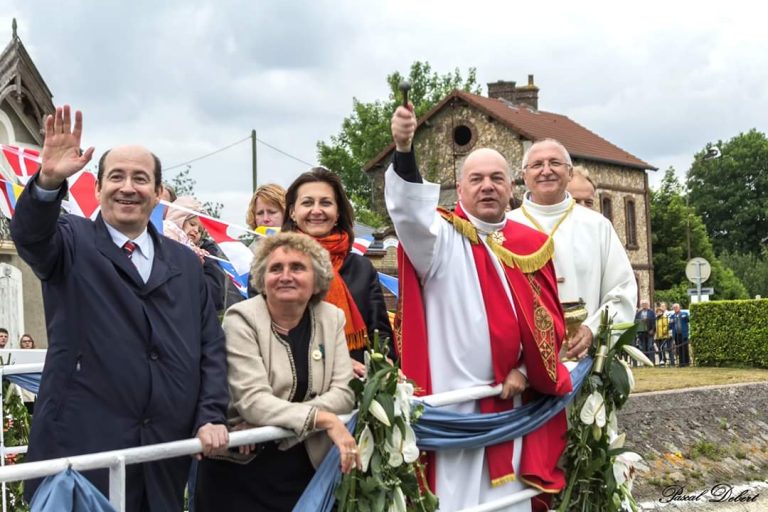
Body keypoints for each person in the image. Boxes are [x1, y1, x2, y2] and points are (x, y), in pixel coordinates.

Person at [10, 105, 229, 510]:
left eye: (140, 179)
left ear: (158, 193)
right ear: (97, 188)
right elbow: (29, 235)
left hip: (162, 456)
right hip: (82, 454)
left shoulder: (185, 264)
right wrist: (48, 181)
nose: (128, 187)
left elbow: (210, 349)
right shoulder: (69, 241)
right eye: (116, 177)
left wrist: (211, 414)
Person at [388, 105, 573, 511]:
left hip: (511, 404)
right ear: (460, 186)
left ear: (511, 188)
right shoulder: (437, 238)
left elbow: (550, 324)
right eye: (476, 179)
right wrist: (404, 148)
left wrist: (526, 370)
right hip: (455, 406)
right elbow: (408, 213)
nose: (487, 186)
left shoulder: (530, 245)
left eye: (496, 178)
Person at [195, 232, 357, 511]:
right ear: (262, 278)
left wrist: (278, 428)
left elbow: (344, 394)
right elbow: (253, 401)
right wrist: (326, 420)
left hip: (306, 473)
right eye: (275, 268)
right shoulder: (241, 318)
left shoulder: (332, 318)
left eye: (297, 267)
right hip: (240, 475)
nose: (286, 276)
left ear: (317, 278)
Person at [508, 138, 637, 358]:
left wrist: (592, 330)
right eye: (537, 165)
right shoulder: (506, 228)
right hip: (523, 361)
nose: (546, 171)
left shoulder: (597, 226)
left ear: (569, 173)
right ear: (524, 176)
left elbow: (622, 291)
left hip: (583, 357)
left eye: (555, 163)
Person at [282, 168, 393, 376]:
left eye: (325, 203)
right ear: (292, 212)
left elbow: (380, 334)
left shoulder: (361, 268)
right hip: (296, 390)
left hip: (357, 390)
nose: (317, 210)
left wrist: (384, 364)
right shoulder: (273, 268)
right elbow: (272, 337)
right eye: (307, 203)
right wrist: (336, 361)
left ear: (338, 212)